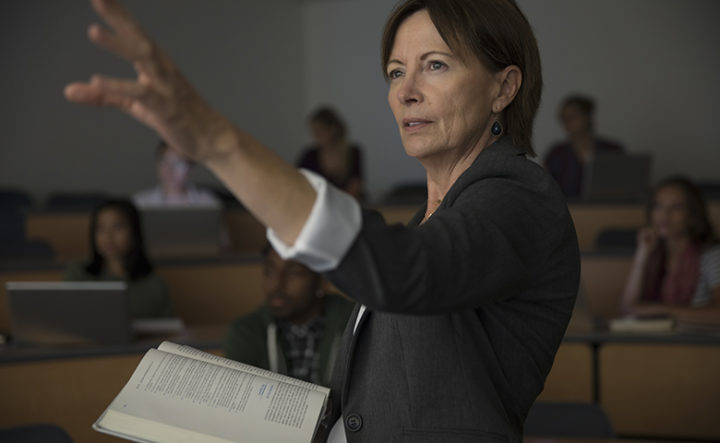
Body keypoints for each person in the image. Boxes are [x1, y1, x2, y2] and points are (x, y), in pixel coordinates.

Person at [65, 0, 580, 441]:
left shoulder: (519, 197)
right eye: (397, 71)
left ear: (503, 87)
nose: (404, 92)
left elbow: (404, 272)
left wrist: (216, 143)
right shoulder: (430, 217)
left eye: (436, 65)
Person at [224, 246, 354, 386]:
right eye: (269, 271)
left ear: (322, 279)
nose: (276, 284)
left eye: (293, 273)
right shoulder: (245, 332)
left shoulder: (352, 322)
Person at [621, 177, 720, 323]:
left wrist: (660, 310)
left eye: (676, 207)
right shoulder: (653, 253)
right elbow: (626, 309)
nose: (664, 215)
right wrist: (642, 255)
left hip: (695, 341)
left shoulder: (711, 255)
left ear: (692, 214)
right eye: (658, 206)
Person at [64, 199, 173, 318]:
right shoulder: (78, 274)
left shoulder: (154, 284)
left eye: (118, 227)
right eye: (101, 228)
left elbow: (169, 331)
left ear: (134, 232)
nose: (108, 237)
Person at [544, 94, 625, 198]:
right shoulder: (556, 154)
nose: (568, 122)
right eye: (564, 118)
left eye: (573, 116)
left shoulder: (612, 150)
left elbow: (623, 187)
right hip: (569, 211)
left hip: (608, 209)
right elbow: (547, 191)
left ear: (587, 116)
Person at [297, 107, 365, 201]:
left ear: (332, 129)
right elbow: (298, 181)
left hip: (346, 205)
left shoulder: (352, 152)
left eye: (319, 131)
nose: (315, 136)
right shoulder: (309, 155)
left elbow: (355, 186)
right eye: (313, 132)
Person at [133, 139, 220, 208]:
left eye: (178, 164)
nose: (169, 170)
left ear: (189, 168)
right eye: (165, 162)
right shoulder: (140, 203)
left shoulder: (208, 203)